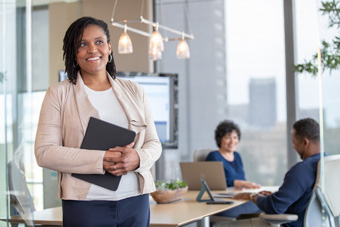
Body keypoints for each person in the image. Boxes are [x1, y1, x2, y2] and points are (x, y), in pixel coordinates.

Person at [34, 17, 162, 227]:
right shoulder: (58, 94)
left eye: (99, 42)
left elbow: (154, 144)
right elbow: (44, 152)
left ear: (110, 47)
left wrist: (138, 157)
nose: (93, 50)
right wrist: (101, 159)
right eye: (82, 44)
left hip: (135, 200)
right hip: (85, 205)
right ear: (73, 53)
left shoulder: (135, 91)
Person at [218, 118, 322, 227]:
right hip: (311, 223)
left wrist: (252, 196)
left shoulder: (302, 169)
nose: (293, 146)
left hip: (288, 224)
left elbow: (275, 207)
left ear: (305, 142)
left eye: (294, 142)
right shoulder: (327, 165)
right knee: (242, 218)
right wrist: (277, 196)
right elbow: (304, 198)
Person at [206, 120, 261, 218]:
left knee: (265, 201)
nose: (232, 141)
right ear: (219, 139)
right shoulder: (214, 156)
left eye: (235, 137)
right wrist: (240, 183)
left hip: (239, 199)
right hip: (224, 204)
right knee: (265, 204)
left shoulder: (237, 156)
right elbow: (213, 183)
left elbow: (242, 179)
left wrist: (247, 185)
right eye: (228, 138)